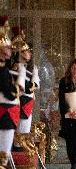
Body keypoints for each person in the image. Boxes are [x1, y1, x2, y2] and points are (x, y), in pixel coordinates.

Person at [0, 29, 26, 167]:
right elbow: (11, 94)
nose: (11, 50)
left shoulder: (5, 67)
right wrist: (21, 77)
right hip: (5, 115)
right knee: (3, 155)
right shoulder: (3, 70)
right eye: (9, 47)